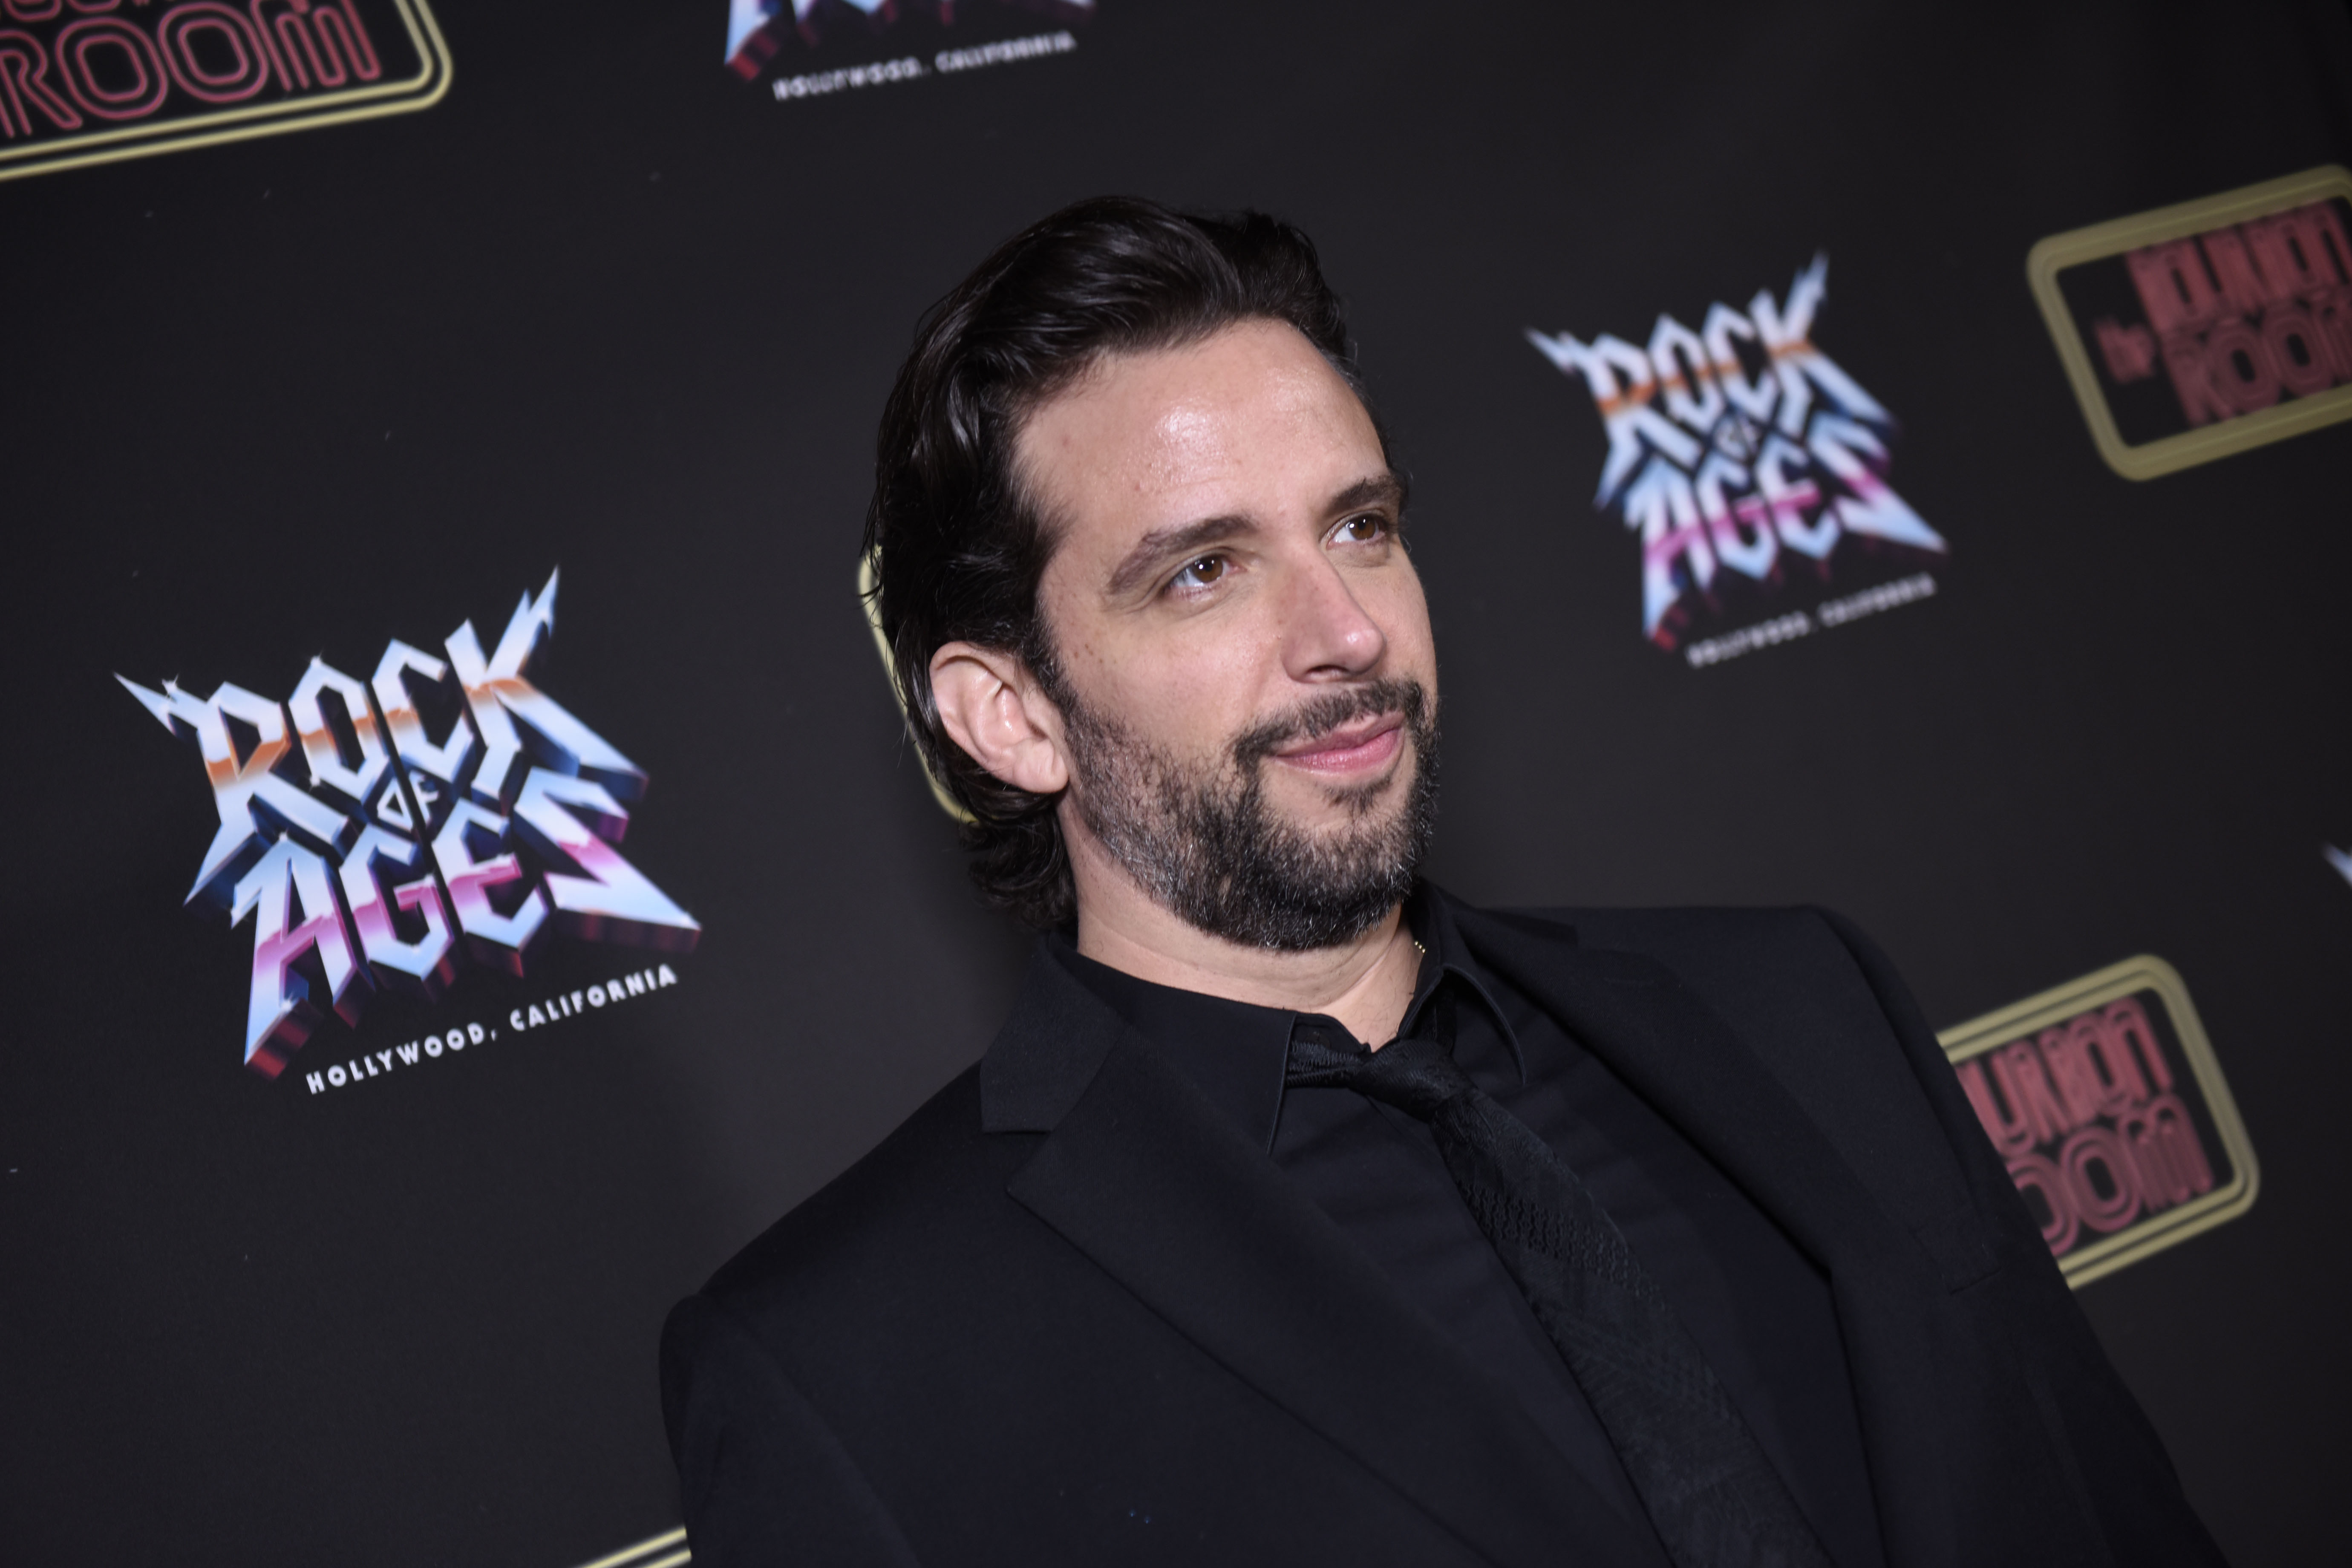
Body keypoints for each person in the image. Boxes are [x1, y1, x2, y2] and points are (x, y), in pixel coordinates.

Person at [660, 197, 2224, 1568]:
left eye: (1362, 526)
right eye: (1205, 570)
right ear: (1014, 717)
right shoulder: (850, 1366)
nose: (1345, 631)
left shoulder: (1801, 1004)